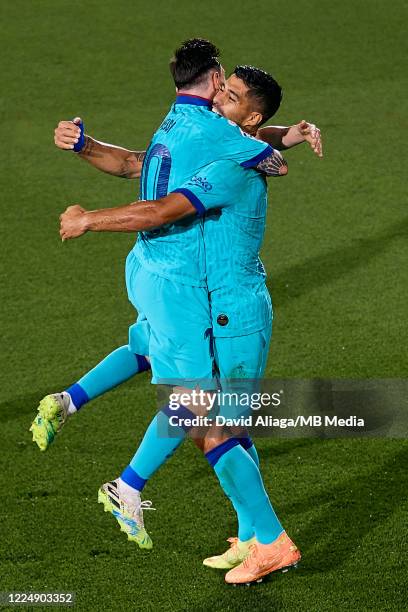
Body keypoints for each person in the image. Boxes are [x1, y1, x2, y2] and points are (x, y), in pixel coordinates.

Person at [33, 41, 322, 585]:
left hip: (233, 311)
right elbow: (141, 166)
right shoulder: (222, 142)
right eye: (221, 87)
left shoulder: (230, 159)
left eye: (230, 96)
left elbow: (168, 205)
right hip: (211, 302)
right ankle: (252, 535)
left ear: (248, 115)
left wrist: (90, 219)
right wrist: (287, 137)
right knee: (219, 423)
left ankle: (271, 539)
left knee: (204, 422)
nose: (218, 99)